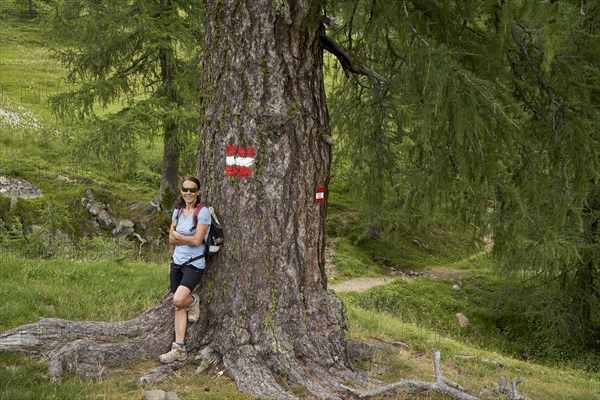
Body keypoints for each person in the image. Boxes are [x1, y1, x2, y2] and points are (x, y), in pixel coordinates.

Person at [159, 177, 211, 363]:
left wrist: (179, 236)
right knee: (178, 306)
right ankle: (179, 348)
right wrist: (182, 238)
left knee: (180, 299)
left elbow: (197, 241)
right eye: (185, 189)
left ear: (198, 192)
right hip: (177, 262)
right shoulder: (178, 211)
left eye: (192, 189)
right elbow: (171, 240)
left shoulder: (203, 212)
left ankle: (193, 299)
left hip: (193, 263)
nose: (188, 193)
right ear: (181, 191)